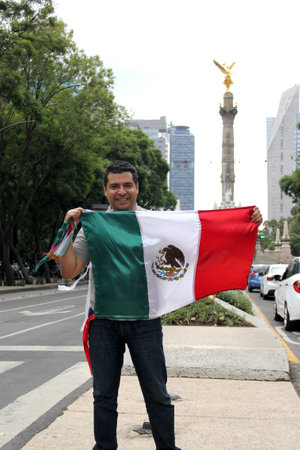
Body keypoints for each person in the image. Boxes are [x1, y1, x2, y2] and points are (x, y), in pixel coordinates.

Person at [59, 160, 263, 450]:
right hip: (103, 322)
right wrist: (68, 230)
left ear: (137, 187)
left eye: (127, 185)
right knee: (104, 395)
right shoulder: (94, 226)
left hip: (145, 322)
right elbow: (69, 271)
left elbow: (200, 241)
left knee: (157, 393)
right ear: (105, 191)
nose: (121, 191)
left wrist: (246, 221)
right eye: (114, 185)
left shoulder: (155, 224)